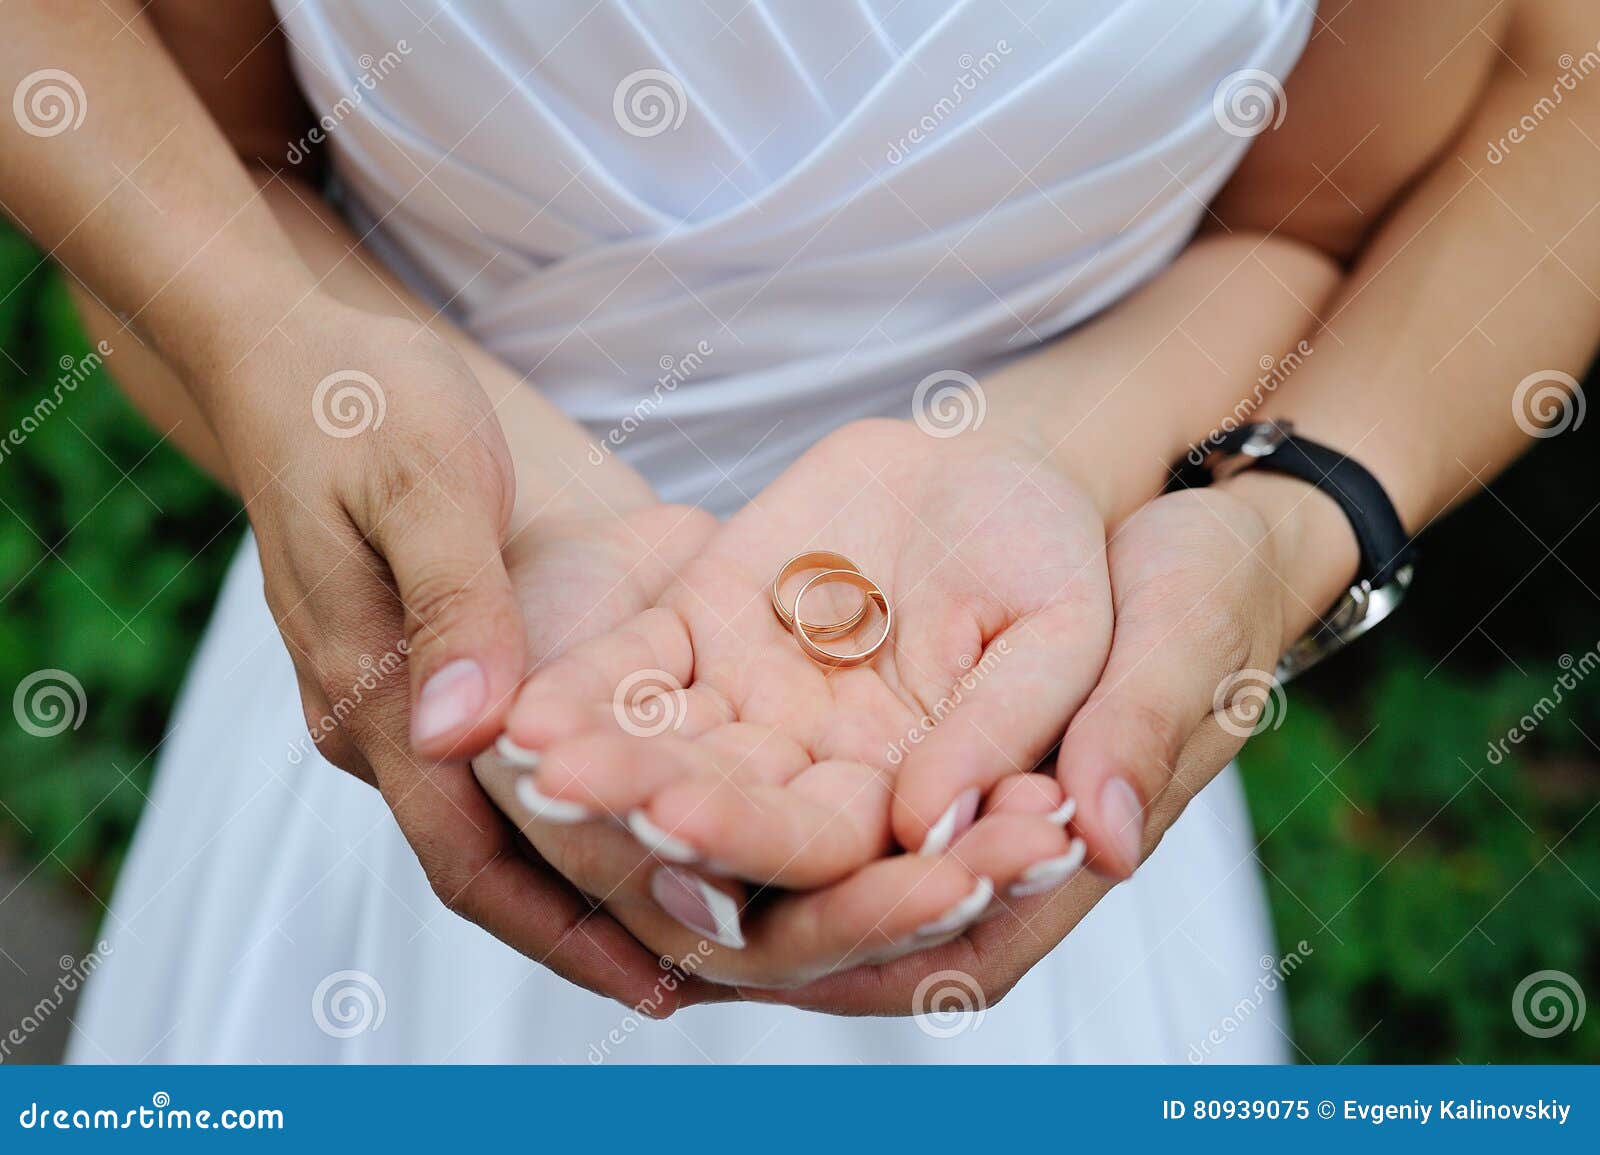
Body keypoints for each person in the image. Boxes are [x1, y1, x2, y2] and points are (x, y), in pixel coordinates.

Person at [3, 0, 1592, 1062]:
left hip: (1022, 687)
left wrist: (1281, 530)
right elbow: (194, 162)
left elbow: (1336, 208)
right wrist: (282, 349)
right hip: (447, 637)